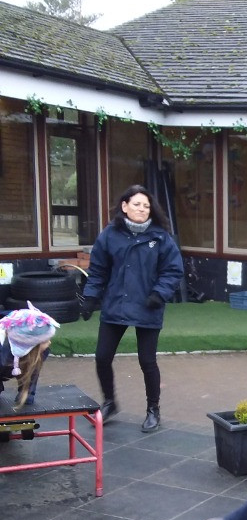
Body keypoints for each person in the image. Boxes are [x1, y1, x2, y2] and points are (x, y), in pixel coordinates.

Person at [80, 185, 184, 433]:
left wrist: (159, 293)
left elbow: (173, 270)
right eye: (137, 204)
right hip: (116, 303)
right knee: (102, 357)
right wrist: (90, 297)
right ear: (124, 206)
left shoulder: (160, 238)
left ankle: (153, 410)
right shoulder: (109, 235)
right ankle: (109, 401)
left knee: (147, 361)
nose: (142, 209)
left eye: (146, 206)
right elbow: (98, 271)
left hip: (148, 305)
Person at [0, 304, 59, 408]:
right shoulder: (3, 353)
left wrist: (26, 394)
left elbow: (32, 371)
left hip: (11, 360)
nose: (49, 343)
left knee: (31, 362)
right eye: (45, 341)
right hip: (4, 358)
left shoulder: (39, 352)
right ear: (30, 344)